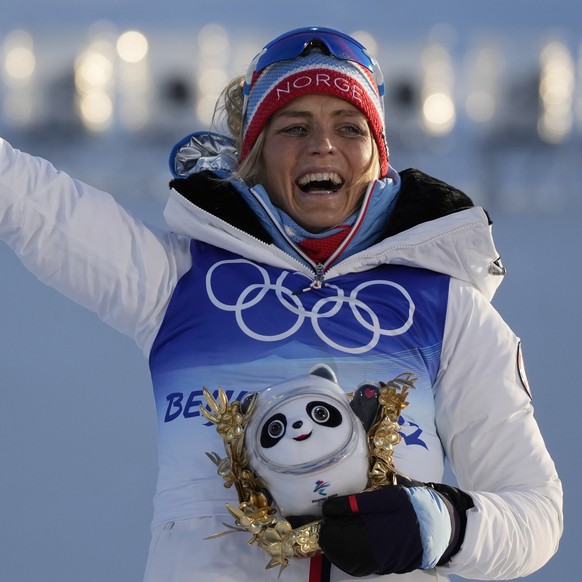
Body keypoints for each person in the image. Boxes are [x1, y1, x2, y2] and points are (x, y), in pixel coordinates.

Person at [0, 25, 562, 582]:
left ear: (377, 157)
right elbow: (37, 205)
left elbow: (535, 513)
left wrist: (438, 525)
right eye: (294, 127)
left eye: (350, 126)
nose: (323, 144)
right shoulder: (178, 279)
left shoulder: (446, 306)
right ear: (257, 156)